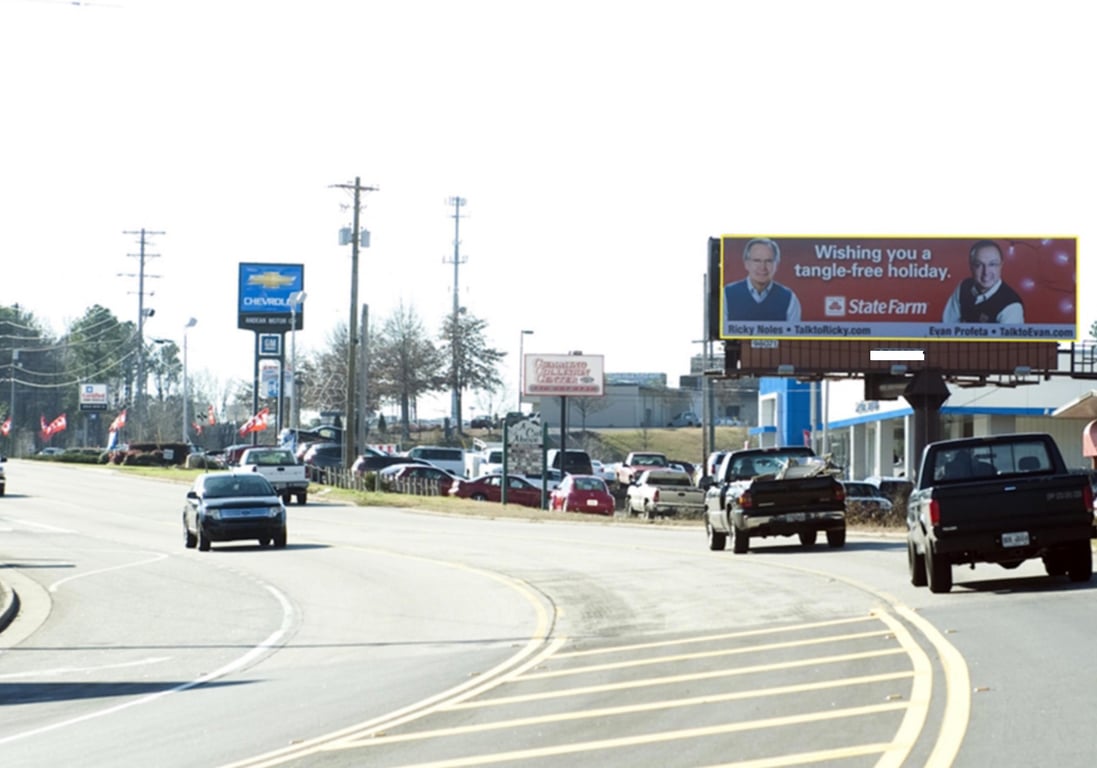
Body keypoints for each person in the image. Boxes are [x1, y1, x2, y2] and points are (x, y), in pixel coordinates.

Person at [941, 240, 1024, 324]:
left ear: (1001, 265)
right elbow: (946, 326)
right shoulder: (963, 286)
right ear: (971, 266)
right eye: (979, 265)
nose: (986, 272)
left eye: (992, 264)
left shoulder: (1011, 306)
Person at [724, 237, 802, 324]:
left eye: (768, 261)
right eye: (757, 261)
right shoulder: (727, 295)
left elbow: (793, 335)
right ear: (747, 263)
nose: (763, 267)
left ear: (776, 265)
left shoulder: (789, 298)